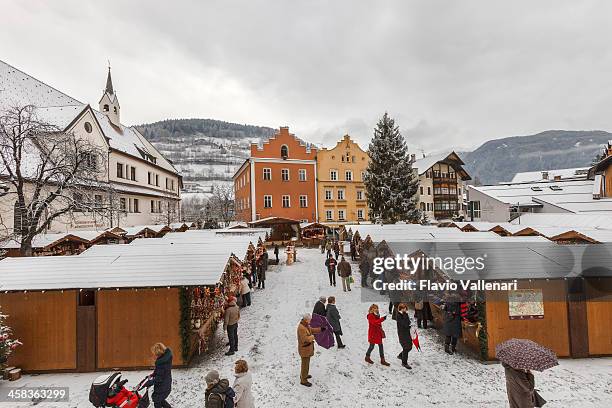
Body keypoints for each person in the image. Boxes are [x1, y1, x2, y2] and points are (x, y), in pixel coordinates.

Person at [297, 313, 323, 387]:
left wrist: (320, 329)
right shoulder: (301, 328)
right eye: (309, 320)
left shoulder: (305, 325)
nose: (310, 321)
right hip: (304, 350)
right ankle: (303, 380)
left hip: (307, 349)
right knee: (305, 364)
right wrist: (313, 336)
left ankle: (304, 375)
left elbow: (311, 330)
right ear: (306, 320)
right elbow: (305, 339)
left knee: (306, 364)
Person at [146, 343, 173, 408]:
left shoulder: (162, 362)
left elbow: (159, 378)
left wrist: (150, 382)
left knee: (157, 401)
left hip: (162, 385)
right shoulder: (165, 359)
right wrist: (153, 374)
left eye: (155, 353)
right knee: (160, 400)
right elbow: (160, 371)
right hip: (166, 383)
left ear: (158, 352)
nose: (155, 355)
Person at [395, 303, 413, 369]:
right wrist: (405, 315)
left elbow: (408, 322)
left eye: (405, 308)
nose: (405, 309)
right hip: (402, 334)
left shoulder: (405, 314)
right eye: (403, 308)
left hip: (407, 332)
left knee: (410, 346)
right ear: (401, 309)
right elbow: (405, 324)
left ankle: (400, 355)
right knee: (406, 347)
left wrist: (406, 316)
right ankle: (404, 363)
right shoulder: (398, 315)